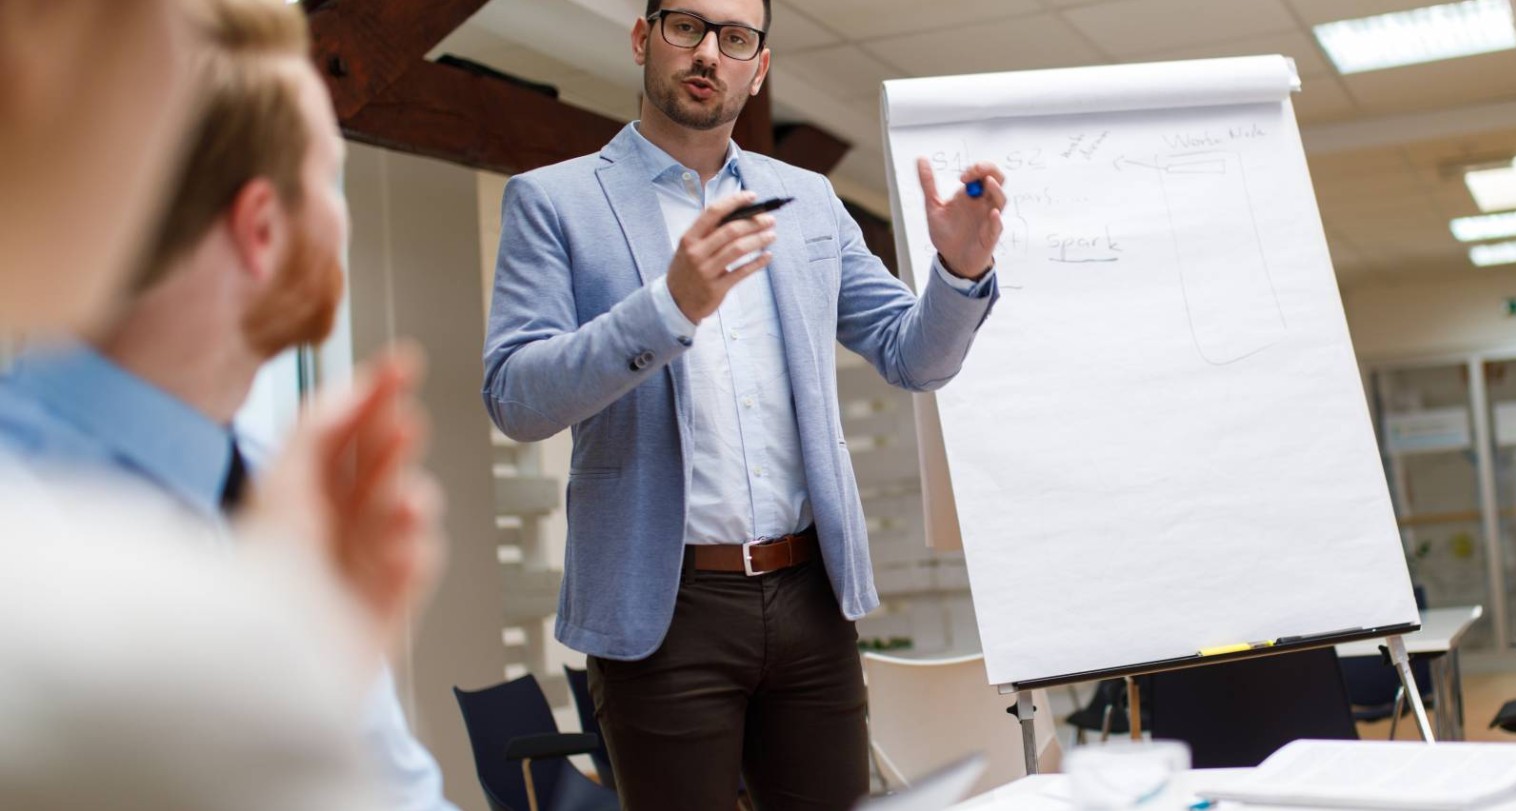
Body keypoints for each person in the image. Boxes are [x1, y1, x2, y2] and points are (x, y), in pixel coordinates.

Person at [481, 0, 1007, 807]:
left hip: (809, 599)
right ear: (641, 38)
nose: (708, 54)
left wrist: (960, 272)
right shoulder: (553, 202)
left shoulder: (806, 201)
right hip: (663, 610)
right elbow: (516, 396)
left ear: (757, 67)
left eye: (735, 38)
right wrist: (669, 306)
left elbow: (913, 356)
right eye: (685, 27)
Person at [0, 0, 456, 806]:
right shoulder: (28, 528)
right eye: (331, 178)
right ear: (263, 229)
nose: (341, 219)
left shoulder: (294, 514)